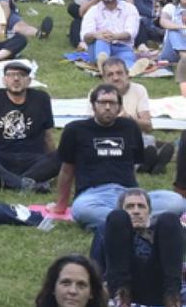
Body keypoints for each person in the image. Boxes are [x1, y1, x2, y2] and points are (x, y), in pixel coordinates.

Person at [52, 83, 186, 231]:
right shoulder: (74, 129)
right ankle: (142, 221)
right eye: (102, 102)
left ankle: (117, 222)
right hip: (94, 195)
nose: (107, 107)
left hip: (128, 193)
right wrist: (61, 206)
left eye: (112, 103)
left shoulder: (130, 126)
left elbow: (133, 166)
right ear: (93, 105)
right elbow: (66, 170)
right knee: (82, 210)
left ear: (119, 107)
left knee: (176, 201)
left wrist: (135, 197)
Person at [0, 60, 59, 191]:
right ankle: (23, 184)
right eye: (11, 75)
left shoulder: (41, 99)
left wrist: (55, 162)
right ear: (4, 80)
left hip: (31, 160)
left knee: (65, 152)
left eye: (21, 75)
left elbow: (48, 136)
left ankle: (4, 181)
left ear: (29, 81)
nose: (16, 79)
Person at [95, 187, 185, 307]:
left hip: (159, 285)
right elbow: (95, 266)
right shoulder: (108, 229)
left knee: (170, 218)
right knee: (116, 217)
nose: (136, 211)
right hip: (123, 282)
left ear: (149, 212)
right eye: (130, 207)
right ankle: (121, 300)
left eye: (141, 206)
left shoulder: (162, 230)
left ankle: (173, 301)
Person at [80, 0, 139, 70]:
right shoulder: (93, 11)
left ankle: (126, 69)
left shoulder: (130, 8)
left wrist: (114, 36)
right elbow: (85, 36)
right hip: (98, 47)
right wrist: (97, 35)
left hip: (122, 47)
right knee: (101, 40)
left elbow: (131, 33)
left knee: (127, 61)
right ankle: (103, 63)